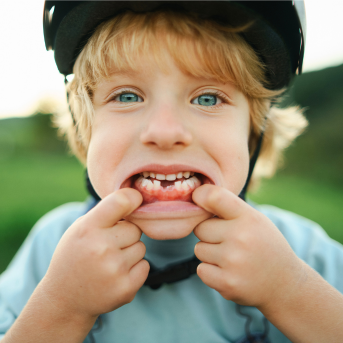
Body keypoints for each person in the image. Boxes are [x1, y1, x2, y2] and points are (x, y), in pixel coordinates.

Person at [1, 1, 343, 342]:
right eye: (126, 96)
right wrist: (62, 306)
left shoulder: (305, 254)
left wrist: (291, 290)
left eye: (208, 99)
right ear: (85, 131)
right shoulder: (53, 250)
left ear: (254, 134)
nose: (164, 132)